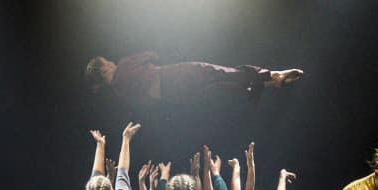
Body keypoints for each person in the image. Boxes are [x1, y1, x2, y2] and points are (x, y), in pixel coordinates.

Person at [85, 51, 303, 105]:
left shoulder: (121, 93)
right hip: (169, 76)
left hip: (171, 96)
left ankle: (265, 84)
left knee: (217, 88)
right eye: (107, 62)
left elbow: (146, 103)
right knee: (213, 71)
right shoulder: (124, 65)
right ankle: (269, 76)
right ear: (103, 69)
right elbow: (152, 54)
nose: (111, 62)